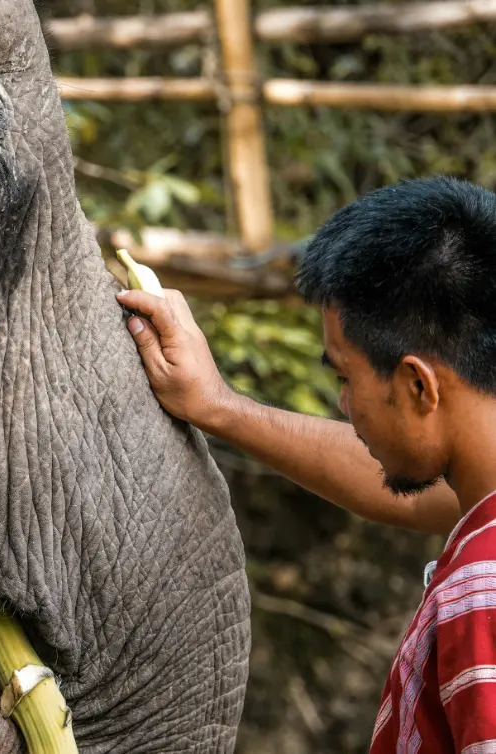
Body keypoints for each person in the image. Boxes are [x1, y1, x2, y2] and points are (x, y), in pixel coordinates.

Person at [116, 175, 496, 753]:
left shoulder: (482, 591)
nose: (344, 404)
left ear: (419, 385)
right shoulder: (480, 513)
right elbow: (421, 493)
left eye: (345, 377)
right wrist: (218, 406)